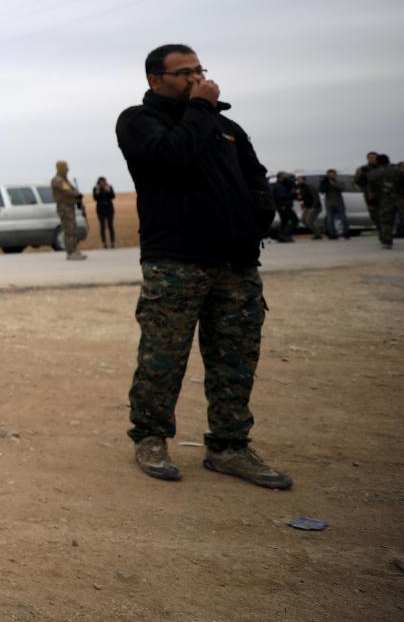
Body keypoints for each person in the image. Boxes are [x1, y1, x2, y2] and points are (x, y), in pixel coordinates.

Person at [115, 44, 290, 490]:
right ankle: (151, 438)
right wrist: (199, 107)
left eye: (199, 70)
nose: (195, 78)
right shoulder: (139, 121)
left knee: (235, 358)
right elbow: (171, 156)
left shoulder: (226, 128)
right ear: (156, 80)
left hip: (236, 263)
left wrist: (256, 218)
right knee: (163, 356)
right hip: (175, 261)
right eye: (184, 72)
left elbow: (255, 177)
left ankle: (229, 446)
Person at [50, 161, 87, 259]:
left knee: (72, 228)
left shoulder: (64, 180)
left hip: (69, 207)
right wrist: (76, 194)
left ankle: (74, 250)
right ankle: (71, 252)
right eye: (66, 167)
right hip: (64, 207)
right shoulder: (58, 180)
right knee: (69, 229)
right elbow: (67, 190)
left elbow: (71, 189)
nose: (67, 169)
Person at [373, 153, 401, 249]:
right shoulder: (398, 170)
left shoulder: (375, 173)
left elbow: (372, 188)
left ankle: (386, 242)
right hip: (401, 198)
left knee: (386, 221)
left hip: (385, 199)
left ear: (377, 162)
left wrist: (372, 200)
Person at [320, 169, 351, 240]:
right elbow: (321, 190)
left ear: (335, 175)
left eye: (332, 174)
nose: (331, 175)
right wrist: (325, 183)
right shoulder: (325, 182)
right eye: (329, 174)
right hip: (329, 203)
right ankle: (332, 234)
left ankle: (346, 233)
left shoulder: (339, 182)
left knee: (343, 218)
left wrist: (333, 183)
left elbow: (342, 188)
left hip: (339, 203)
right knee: (330, 220)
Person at [355, 152, 381, 228]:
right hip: (370, 195)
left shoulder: (382, 167)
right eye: (370, 158)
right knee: (374, 214)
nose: (372, 159)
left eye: (374, 158)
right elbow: (358, 182)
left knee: (386, 214)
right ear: (367, 159)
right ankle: (381, 229)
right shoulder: (363, 169)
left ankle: (386, 231)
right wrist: (360, 174)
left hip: (383, 194)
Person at [270, 173, 298, 243]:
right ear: (280, 177)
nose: (286, 178)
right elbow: (282, 196)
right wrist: (291, 193)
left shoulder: (281, 185)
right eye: (284, 177)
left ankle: (282, 236)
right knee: (295, 220)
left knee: (284, 222)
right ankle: (285, 235)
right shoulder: (279, 186)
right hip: (284, 206)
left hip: (282, 206)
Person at [93, 177, 117, 249]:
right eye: (101, 182)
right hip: (100, 210)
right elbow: (95, 198)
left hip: (109, 209)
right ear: (98, 183)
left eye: (103, 182)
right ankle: (104, 243)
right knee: (102, 226)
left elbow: (113, 196)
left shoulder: (109, 187)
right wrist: (97, 192)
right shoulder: (96, 188)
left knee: (110, 226)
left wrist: (108, 190)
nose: (102, 184)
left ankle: (112, 243)